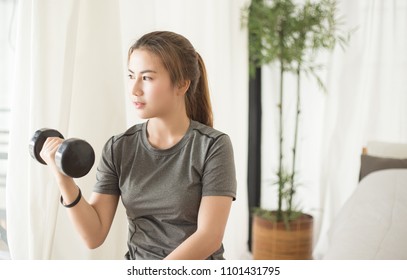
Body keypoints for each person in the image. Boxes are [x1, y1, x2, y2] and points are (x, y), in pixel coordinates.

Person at [40, 31, 237, 260]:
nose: (134, 90)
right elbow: (94, 236)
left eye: (147, 78)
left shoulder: (213, 146)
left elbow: (209, 236)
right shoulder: (119, 148)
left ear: (182, 84)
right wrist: (63, 179)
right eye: (131, 76)